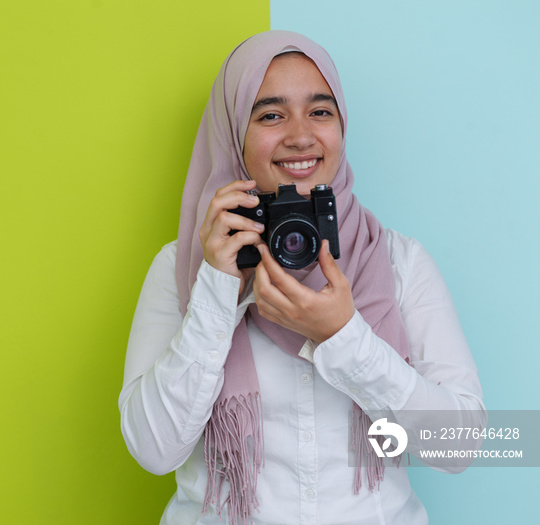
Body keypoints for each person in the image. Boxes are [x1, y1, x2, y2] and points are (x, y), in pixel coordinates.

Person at [119, 30, 484, 525]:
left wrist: (343, 336)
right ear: (233, 135)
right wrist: (217, 288)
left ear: (341, 126)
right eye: (270, 114)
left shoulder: (398, 262)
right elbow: (153, 450)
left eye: (320, 111)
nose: (300, 135)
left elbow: (461, 444)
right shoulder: (183, 266)